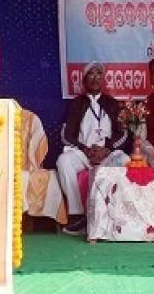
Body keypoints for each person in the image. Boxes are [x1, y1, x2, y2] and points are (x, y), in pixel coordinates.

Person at [57, 62, 129, 235]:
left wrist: (107, 148)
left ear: (103, 79)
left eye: (99, 74)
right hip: (83, 153)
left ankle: (112, 213)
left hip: (106, 154)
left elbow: (124, 134)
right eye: (91, 74)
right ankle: (79, 215)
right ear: (84, 79)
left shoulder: (112, 103)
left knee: (125, 160)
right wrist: (85, 149)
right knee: (63, 161)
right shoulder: (76, 104)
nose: (95, 78)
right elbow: (65, 135)